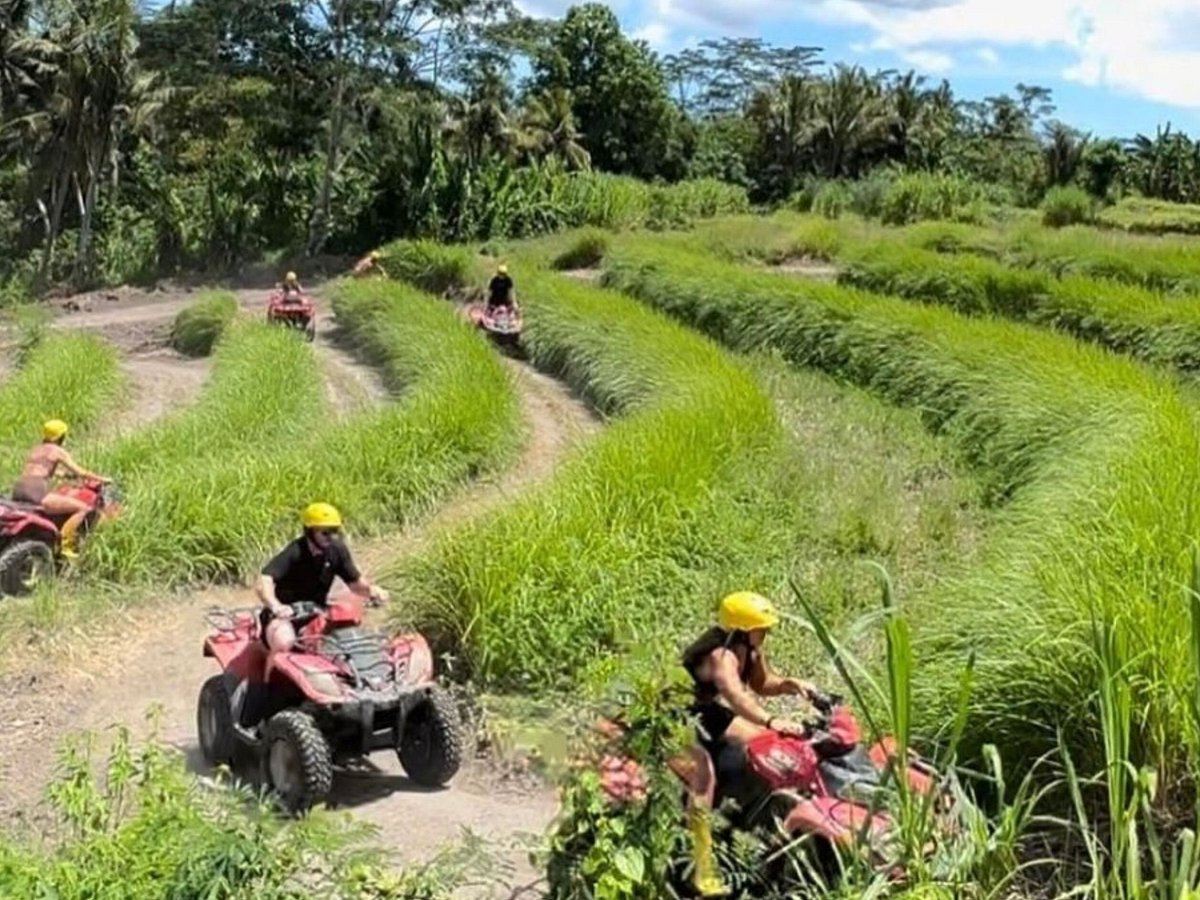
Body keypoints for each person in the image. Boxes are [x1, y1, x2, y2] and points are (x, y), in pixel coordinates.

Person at [678, 591, 817, 897]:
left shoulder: (749, 649)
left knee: (767, 746)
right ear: (742, 628)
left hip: (707, 712)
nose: (765, 633)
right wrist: (771, 719)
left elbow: (762, 683)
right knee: (703, 774)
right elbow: (733, 693)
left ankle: (756, 814)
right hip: (676, 715)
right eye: (761, 628)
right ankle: (701, 868)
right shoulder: (720, 653)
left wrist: (792, 685)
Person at [256, 502, 389, 653]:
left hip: (317, 613)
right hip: (284, 617)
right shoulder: (295, 551)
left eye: (335, 531)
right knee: (284, 641)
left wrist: (373, 591)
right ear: (310, 532)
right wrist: (276, 606)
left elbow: (355, 584)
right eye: (325, 533)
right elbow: (264, 580)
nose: (331, 537)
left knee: (347, 630)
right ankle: (270, 674)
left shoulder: (337, 550)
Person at [12, 420, 112, 559]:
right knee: (82, 508)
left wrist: (65, 476)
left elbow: (41, 470)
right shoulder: (58, 451)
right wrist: (103, 479)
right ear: (61, 436)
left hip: (19, 489)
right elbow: (81, 472)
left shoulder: (36, 449)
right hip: (36, 490)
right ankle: (65, 546)